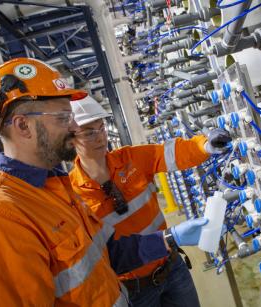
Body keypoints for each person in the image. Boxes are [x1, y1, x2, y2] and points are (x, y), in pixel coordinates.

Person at [0, 57, 209, 306]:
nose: (75, 126)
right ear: (24, 126)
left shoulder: (54, 188)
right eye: (64, 118)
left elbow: (106, 253)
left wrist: (170, 239)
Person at [69, 95, 231, 306]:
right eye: (89, 133)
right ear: (70, 139)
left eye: (101, 128)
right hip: (135, 289)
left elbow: (171, 152)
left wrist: (205, 145)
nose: (100, 138)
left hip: (171, 268)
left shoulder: (130, 158)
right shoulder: (73, 194)